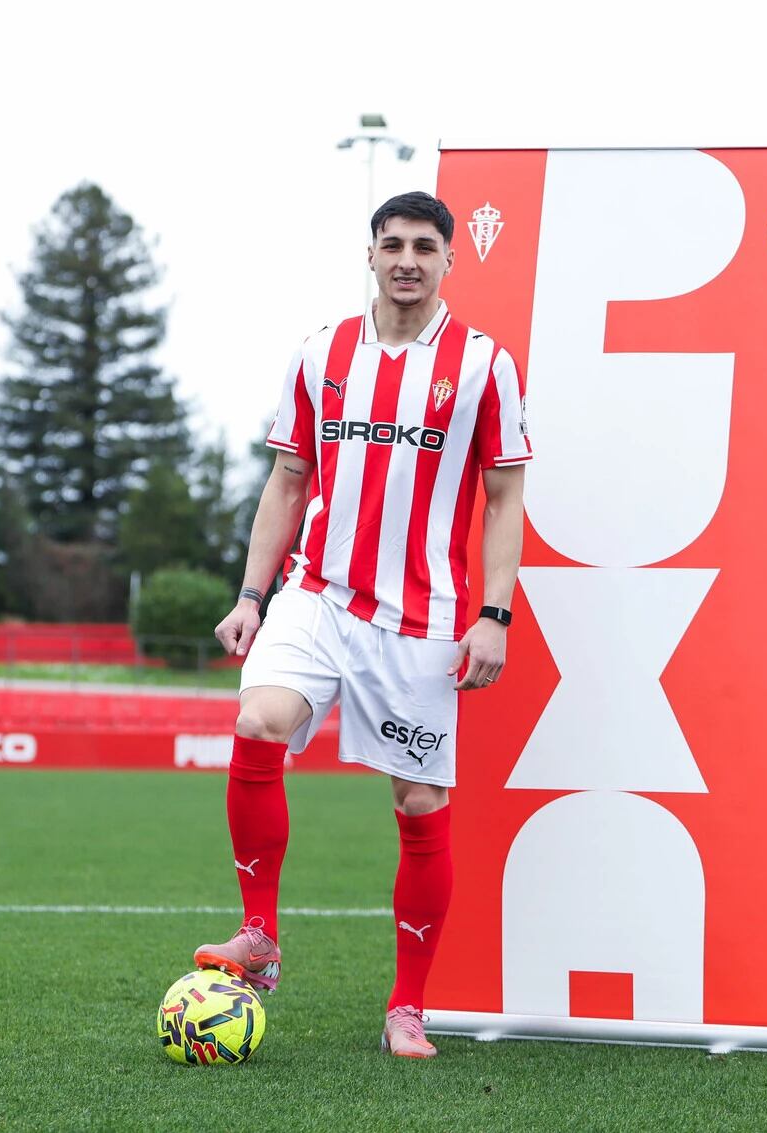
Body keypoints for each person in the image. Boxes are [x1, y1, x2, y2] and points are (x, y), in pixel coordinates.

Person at [194, 191, 531, 1059]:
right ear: (370, 255)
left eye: (425, 245)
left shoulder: (484, 364)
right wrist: (250, 594)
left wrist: (493, 614)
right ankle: (259, 937)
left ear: (451, 259)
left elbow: (503, 500)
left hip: (422, 617)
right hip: (318, 592)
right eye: (393, 245)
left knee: (418, 805)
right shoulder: (320, 353)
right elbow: (288, 481)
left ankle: (406, 1006)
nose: (408, 259)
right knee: (255, 721)